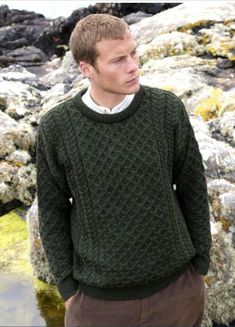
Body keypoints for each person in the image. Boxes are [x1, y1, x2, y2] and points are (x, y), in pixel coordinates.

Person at [36, 13, 212, 327]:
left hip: (177, 293)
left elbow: (192, 187)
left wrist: (200, 262)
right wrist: (67, 287)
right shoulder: (57, 127)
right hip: (97, 305)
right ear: (86, 68)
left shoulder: (167, 110)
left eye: (134, 53)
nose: (133, 66)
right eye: (119, 60)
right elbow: (52, 211)